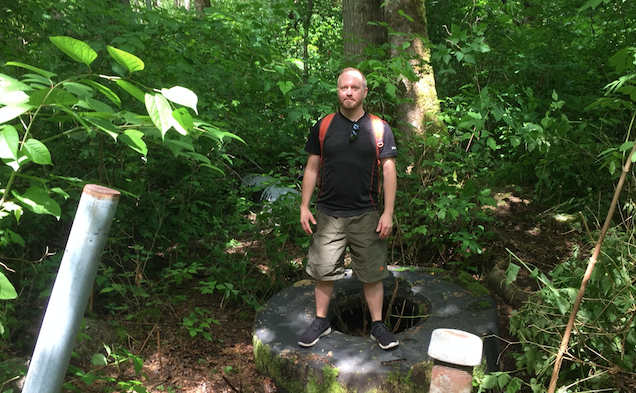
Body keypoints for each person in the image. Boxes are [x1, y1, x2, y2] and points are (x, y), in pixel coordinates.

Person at [297, 67, 399, 350]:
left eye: (355, 88)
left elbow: (389, 171)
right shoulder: (324, 126)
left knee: (371, 272)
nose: (349, 92)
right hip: (328, 213)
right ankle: (321, 321)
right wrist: (304, 206)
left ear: (365, 92)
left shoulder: (379, 128)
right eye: (344, 88)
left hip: (366, 213)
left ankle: (378, 325)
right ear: (338, 92)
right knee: (323, 270)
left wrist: (387, 212)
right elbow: (312, 167)